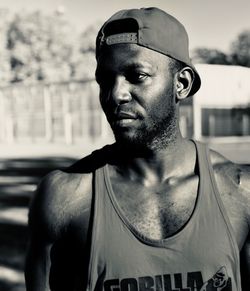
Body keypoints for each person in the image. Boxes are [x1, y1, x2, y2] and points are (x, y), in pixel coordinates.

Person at [25, 7, 250, 291]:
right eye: (105, 80)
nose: (115, 94)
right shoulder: (63, 197)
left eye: (137, 76)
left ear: (181, 84)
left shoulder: (239, 193)